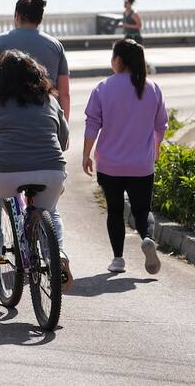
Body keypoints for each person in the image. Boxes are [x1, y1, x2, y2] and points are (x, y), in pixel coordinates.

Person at [0, 0, 73, 285]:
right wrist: (59, 131)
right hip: (48, 136)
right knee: (49, 209)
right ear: (40, 17)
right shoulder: (55, 46)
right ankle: (56, 253)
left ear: (16, 15)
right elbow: (63, 94)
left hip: (5, 141)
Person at [0, 50, 71, 290]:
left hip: (4, 175)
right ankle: (56, 254)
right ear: (36, 74)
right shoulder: (49, 100)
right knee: (50, 209)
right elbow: (64, 140)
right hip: (52, 173)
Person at [83, 39, 167, 275]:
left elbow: (92, 125)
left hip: (110, 164)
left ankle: (118, 259)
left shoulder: (103, 87)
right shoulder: (152, 88)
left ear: (118, 60)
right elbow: (161, 126)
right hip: (142, 163)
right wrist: (156, 148)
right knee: (142, 210)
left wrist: (86, 155)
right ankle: (147, 238)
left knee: (115, 211)